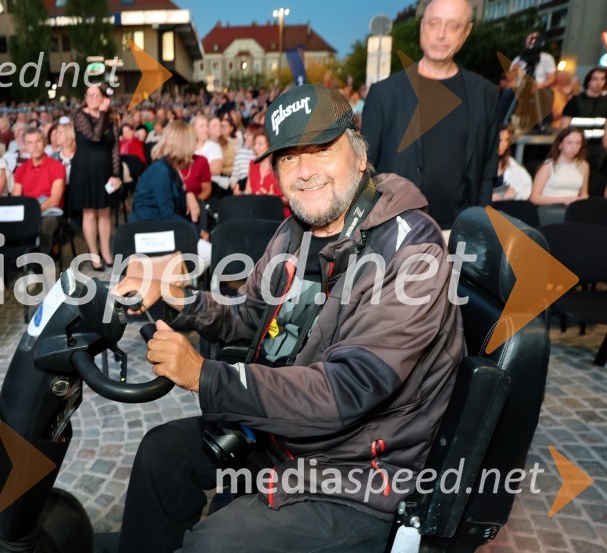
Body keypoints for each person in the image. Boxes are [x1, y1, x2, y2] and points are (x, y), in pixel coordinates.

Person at [115, 84, 463, 553]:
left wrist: (205, 376)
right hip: (285, 435)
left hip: (355, 475)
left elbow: (347, 390)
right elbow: (250, 316)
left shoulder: (411, 249)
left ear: (359, 155)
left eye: (321, 149)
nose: (304, 172)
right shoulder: (294, 232)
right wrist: (183, 299)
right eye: (287, 157)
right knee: (160, 456)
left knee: (211, 546)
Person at [361, 0, 498, 232]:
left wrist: (480, 228)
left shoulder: (485, 94)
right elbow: (365, 170)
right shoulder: (385, 93)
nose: (441, 34)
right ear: (422, 26)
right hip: (395, 230)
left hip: (458, 231)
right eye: (434, 23)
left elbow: (487, 169)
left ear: (466, 32)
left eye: (453, 26)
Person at [69, 85, 122, 270]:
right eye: (89, 94)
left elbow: (115, 147)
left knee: (105, 212)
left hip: (105, 170)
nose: (92, 97)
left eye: (96, 94)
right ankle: (94, 255)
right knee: (90, 213)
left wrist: (116, 174)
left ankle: (106, 252)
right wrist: (102, 113)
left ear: (103, 97)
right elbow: (95, 136)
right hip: (84, 170)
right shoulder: (79, 116)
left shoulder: (111, 118)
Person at [129, 121, 205, 236]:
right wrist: (198, 232)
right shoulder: (161, 171)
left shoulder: (170, 168)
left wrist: (189, 194)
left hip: (159, 228)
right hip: (148, 233)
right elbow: (167, 214)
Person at [12, 128, 66, 256]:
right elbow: (15, 196)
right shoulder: (21, 169)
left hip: (49, 211)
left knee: (46, 225)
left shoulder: (57, 166)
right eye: (30, 143)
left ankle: (38, 263)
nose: (34, 146)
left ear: (44, 143)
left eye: (38, 141)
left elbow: (55, 200)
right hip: (27, 210)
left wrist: (32, 212)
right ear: (25, 146)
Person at [529, 126, 589, 224]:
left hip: (573, 207)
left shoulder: (584, 165)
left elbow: (585, 194)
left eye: (578, 143)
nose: (574, 147)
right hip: (549, 208)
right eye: (569, 143)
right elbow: (534, 198)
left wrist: (577, 200)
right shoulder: (547, 167)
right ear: (560, 145)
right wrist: (564, 200)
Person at [561, 67, 607, 176]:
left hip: (597, 148)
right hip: (577, 147)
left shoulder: (605, 102)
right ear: (588, 81)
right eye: (595, 79)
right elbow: (564, 128)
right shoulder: (575, 100)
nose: (598, 83)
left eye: (602, 79)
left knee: (594, 177)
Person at [493, 127, 532, 201]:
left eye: (506, 140)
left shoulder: (510, 163)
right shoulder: (478, 162)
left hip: (504, 203)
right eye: (500, 140)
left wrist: (515, 192)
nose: (504, 144)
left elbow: (526, 185)